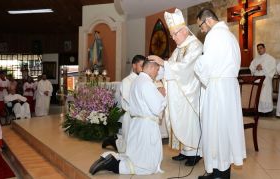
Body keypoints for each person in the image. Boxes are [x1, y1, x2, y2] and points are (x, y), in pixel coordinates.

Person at [89, 60, 166, 175]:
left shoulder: (137, 81)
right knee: (145, 165)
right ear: (150, 68)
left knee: (136, 155)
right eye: (157, 70)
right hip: (146, 126)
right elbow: (157, 108)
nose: (157, 73)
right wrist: (163, 96)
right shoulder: (147, 83)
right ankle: (113, 164)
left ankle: (110, 158)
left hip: (138, 123)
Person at [194, 9, 246, 179]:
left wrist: (198, 63)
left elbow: (206, 66)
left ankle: (218, 173)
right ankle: (223, 170)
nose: (201, 30)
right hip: (229, 87)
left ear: (207, 20)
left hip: (218, 87)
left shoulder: (214, 35)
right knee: (226, 129)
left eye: (200, 26)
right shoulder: (230, 36)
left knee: (216, 128)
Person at [148, 8, 203, 166]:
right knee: (180, 121)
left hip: (189, 93)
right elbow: (170, 66)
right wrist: (155, 71)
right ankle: (185, 150)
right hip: (179, 93)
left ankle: (195, 152)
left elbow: (185, 68)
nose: (172, 38)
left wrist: (162, 62)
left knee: (190, 122)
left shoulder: (195, 46)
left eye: (174, 34)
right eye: (171, 35)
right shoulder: (179, 48)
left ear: (185, 30)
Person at [102, 55, 145, 152]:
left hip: (141, 117)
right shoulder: (127, 81)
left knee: (138, 146)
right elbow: (129, 101)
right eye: (141, 65)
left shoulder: (144, 80)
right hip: (131, 117)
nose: (143, 69)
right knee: (127, 148)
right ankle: (114, 141)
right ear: (134, 66)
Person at [249, 43, 276, 113]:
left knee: (265, 95)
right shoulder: (256, 59)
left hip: (265, 80)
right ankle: (258, 110)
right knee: (258, 95)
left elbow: (273, 68)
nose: (259, 50)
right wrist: (256, 68)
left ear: (264, 49)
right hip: (257, 80)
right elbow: (251, 68)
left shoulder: (270, 58)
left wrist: (263, 67)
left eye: (261, 48)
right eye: (258, 49)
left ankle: (266, 111)